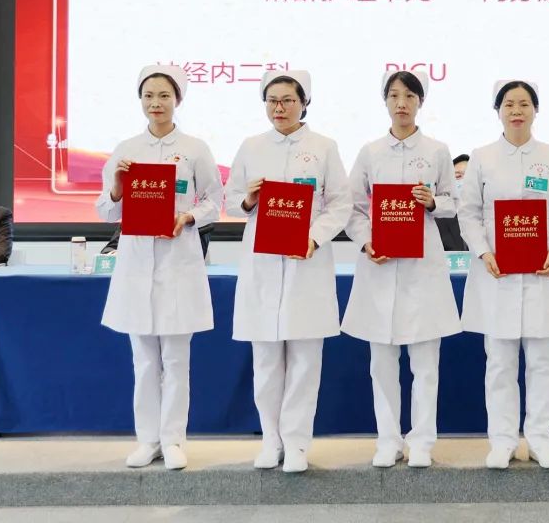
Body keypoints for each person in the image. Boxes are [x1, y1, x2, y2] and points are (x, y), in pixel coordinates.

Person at [96, 65, 222, 471]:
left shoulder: (195, 148)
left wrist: (189, 217)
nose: (156, 103)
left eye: (164, 95)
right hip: (136, 265)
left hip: (178, 261)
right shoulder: (126, 149)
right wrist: (118, 187)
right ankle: (147, 440)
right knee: (145, 361)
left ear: (177, 100)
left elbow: (214, 200)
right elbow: (106, 210)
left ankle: (173, 440)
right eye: (148, 95)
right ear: (140, 100)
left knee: (177, 360)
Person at [226, 70, 352, 474]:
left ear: (304, 103)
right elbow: (230, 201)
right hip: (263, 265)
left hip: (306, 263)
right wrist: (248, 199)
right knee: (265, 362)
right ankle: (271, 440)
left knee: (304, 363)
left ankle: (297, 443)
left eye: (287, 100)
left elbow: (340, 204)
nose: (279, 108)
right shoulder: (251, 146)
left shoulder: (324, 147)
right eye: (272, 101)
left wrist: (313, 237)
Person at [342, 70, 462, 469]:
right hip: (380, 265)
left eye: (409, 96)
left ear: (420, 102)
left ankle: (423, 440)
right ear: (385, 102)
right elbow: (353, 208)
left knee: (425, 364)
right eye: (394, 95)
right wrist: (366, 241)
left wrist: (433, 202)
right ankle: (388, 439)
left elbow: (454, 201)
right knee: (382, 363)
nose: (402, 103)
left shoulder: (438, 151)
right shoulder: (370, 152)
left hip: (422, 268)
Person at [458, 80, 549, 470]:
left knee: (544, 361)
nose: (516, 111)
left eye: (524, 104)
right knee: (500, 362)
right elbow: (468, 213)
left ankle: (541, 439)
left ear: (535, 110)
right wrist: (483, 251)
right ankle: (503, 440)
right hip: (497, 273)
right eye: (509, 104)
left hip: (543, 273)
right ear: (498, 110)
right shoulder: (482, 157)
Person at [101, 223, 215, 258]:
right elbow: (108, 251)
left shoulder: (198, 225)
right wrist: (119, 254)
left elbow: (194, 258)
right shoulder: (134, 219)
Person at [435, 154, 470, 251]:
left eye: (470, 177)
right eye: (458, 176)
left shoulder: (488, 216)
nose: (465, 181)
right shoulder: (437, 218)